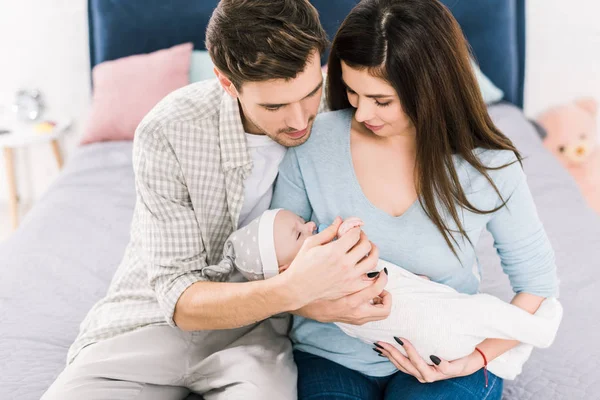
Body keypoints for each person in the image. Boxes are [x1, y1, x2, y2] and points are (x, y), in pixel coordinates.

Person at [42, 1, 390, 399]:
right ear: (227, 83)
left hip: (259, 336)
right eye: (273, 105)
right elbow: (179, 297)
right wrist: (297, 293)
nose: (299, 121)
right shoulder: (169, 129)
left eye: (309, 93)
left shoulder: (348, 115)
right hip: (150, 322)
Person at [270, 0, 560, 399]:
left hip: (446, 353)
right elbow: (273, 270)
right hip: (333, 356)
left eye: (381, 100)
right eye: (352, 92)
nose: (360, 113)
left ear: (432, 87)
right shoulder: (313, 144)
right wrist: (320, 307)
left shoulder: (489, 166)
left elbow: (538, 284)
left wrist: (474, 359)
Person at [219, 208, 562, 383]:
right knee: (483, 312)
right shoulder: (325, 275)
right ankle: (536, 330)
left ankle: (507, 358)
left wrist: (413, 281)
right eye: (299, 233)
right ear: (283, 273)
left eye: (303, 222)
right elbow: (363, 284)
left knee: (471, 329)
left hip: (423, 340)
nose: (311, 226)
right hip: (421, 323)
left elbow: (537, 278)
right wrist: (348, 231)